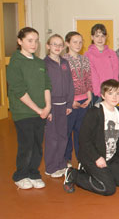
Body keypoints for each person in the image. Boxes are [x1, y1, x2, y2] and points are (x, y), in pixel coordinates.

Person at [63, 79, 119, 196]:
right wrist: (97, 158)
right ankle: (74, 174)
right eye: (110, 93)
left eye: (117, 93)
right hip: (93, 156)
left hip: (110, 156)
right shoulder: (94, 112)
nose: (114, 97)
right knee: (107, 188)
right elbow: (84, 140)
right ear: (102, 95)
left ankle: (94, 172)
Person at [7, 27, 51, 189]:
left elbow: (47, 85)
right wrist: (38, 110)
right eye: (29, 40)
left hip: (41, 111)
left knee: (37, 145)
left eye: (36, 40)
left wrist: (47, 107)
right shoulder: (15, 62)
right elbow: (19, 90)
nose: (34, 44)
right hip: (24, 112)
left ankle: (33, 173)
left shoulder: (39, 63)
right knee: (26, 144)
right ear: (20, 41)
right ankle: (20, 175)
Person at [43, 34, 75, 178]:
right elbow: (43, 87)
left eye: (60, 45)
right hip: (51, 105)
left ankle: (61, 163)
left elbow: (69, 83)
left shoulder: (64, 63)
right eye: (54, 44)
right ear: (48, 46)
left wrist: (69, 103)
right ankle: (51, 167)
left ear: (63, 47)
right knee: (52, 138)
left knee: (63, 136)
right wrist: (46, 107)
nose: (57, 47)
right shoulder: (44, 64)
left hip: (64, 105)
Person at [63, 31, 92, 168]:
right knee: (68, 131)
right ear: (67, 43)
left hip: (84, 101)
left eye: (80, 42)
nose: (78, 45)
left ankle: (82, 159)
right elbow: (62, 83)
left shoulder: (84, 59)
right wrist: (69, 100)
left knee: (81, 132)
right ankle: (67, 159)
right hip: (71, 102)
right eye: (75, 42)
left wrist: (89, 94)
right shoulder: (63, 61)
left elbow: (88, 78)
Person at [85, 23, 119, 103]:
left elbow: (116, 72)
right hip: (97, 94)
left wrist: (114, 90)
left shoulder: (112, 53)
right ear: (92, 37)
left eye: (102, 36)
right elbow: (93, 76)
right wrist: (100, 93)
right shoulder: (88, 55)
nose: (100, 39)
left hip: (112, 92)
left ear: (106, 37)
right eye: (97, 36)